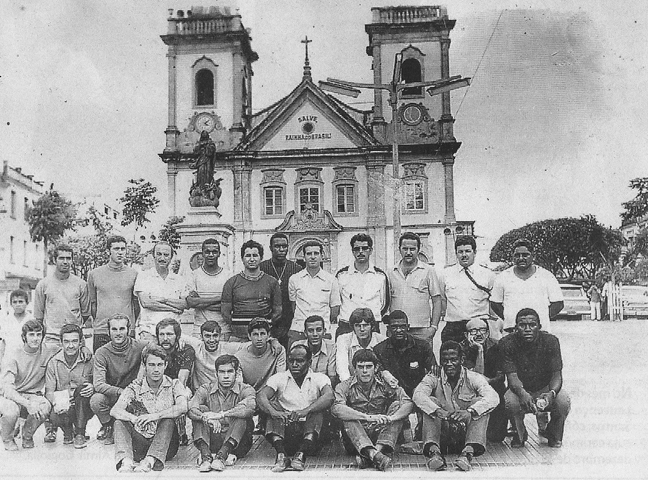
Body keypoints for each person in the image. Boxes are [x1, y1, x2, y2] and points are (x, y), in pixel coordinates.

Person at [413, 341, 499, 471]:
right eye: (445, 360)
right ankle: (434, 454)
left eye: (453, 360)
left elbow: (493, 397)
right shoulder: (433, 377)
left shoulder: (473, 377)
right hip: (441, 434)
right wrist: (437, 411)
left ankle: (467, 454)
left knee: (480, 403)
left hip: (465, 435)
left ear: (462, 359)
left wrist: (470, 411)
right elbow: (417, 395)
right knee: (430, 401)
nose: (449, 364)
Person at [110, 344, 188, 473]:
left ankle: (150, 461)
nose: (156, 369)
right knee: (119, 422)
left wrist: (155, 416)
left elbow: (182, 407)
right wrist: (133, 419)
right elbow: (115, 410)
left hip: (166, 445)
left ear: (166, 365)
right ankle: (126, 461)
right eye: (151, 365)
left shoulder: (174, 384)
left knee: (168, 421)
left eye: (160, 365)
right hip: (141, 442)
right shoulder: (135, 387)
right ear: (144, 366)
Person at [332, 349, 413, 472]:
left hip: (381, 436)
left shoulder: (385, 384)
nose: (365, 371)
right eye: (360, 367)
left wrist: (391, 418)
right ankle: (372, 453)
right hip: (355, 440)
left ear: (376, 368)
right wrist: (367, 417)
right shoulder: (344, 386)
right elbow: (336, 408)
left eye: (369, 366)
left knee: (397, 405)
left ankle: (373, 454)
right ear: (354, 369)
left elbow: (408, 403)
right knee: (347, 415)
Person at [500, 308, 571, 448]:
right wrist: (522, 393)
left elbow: (557, 375)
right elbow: (512, 376)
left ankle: (554, 433)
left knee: (563, 401)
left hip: (545, 388)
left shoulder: (551, 341)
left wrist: (552, 393)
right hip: (519, 389)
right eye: (522, 325)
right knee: (510, 402)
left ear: (539, 327)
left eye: (532, 325)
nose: (527, 329)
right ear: (515, 328)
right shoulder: (506, 343)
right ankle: (520, 434)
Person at [257, 344, 335, 472]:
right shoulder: (279, 378)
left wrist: (306, 410)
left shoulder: (319, 378)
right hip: (285, 434)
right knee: (273, 406)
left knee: (318, 410)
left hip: (310, 437)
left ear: (309, 362)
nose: (294, 364)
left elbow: (329, 396)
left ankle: (301, 456)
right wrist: (274, 412)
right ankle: (281, 456)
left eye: (300, 361)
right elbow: (261, 395)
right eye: (291, 361)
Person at [188, 354, 256, 472]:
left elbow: (250, 407)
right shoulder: (206, 388)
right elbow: (191, 409)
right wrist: (206, 418)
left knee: (241, 414)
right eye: (222, 372)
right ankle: (206, 457)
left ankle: (221, 456)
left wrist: (222, 414)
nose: (225, 376)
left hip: (237, 443)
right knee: (200, 412)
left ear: (237, 373)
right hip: (213, 439)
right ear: (216, 373)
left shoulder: (245, 389)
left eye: (230, 372)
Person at [90, 313, 146, 446]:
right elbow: (98, 384)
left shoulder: (140, 346)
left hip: (135, 396)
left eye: (122, 329)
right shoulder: (102, 352)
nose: (118, 333)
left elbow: (160, 348)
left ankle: (129, 428)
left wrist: (182, 340)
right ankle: (109, 426)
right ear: (108, 332)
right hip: (114, 394)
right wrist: (121, 392)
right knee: (96, 400)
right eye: (114, 329)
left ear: (129, 329)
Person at [0, 320, 56, 450]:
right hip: (10, 395)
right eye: (31, 334)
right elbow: (7, 388)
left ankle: (27, 435)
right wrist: (27, 404)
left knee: (44, 406)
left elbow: (69, 347)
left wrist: (84, 349)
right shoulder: (13, 355)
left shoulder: (49, 350)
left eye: (39, 334)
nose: (35, 339)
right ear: (24, 336)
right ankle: (7, 439)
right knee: (11, 411)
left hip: (32, 394)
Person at [490, 238, 564, 334]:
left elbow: (558, 304)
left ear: (533, 256)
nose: (521, 258)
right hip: (512, 331)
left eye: (525, 255)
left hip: (540, 332)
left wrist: (538, 320)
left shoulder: (546, 276)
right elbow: (495, 303)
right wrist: (511, 319)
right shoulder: (503, 277)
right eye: (517, 255)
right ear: (512, 257)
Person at [44, 324, 94, 449]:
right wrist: (58, 402)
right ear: (61, 342)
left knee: (82, 389)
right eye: (66, 341)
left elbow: (98, 382)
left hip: (82, 403)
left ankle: (80, 433)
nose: (70, 346)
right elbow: (49, 391)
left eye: (74, 341)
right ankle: (68, 431)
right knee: (53, 414)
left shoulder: (89, 360)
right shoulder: (53, 362)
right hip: (64, 404)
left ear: (81, 342)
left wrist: (93, 387)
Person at [438, 235, 496, 343]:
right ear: (456, 253)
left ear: (475, 252)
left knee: (480, 358)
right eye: (460, 252)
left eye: (468, 251)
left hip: (478, 327)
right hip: (453, 328)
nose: (464, 255)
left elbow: (494, 302)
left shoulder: (488, 275)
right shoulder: (445, 275)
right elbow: (443, 300)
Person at [221, 240, 282, 341]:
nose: (252, 259)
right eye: (248, 256)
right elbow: (225, 312)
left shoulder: (272, 282)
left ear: (261, 258)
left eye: (255, 255)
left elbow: (278, 311)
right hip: (238, 337)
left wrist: (263, 329)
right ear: (242, 258)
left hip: (263, 337)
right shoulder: (231, 282)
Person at [87, 235, 139, 351]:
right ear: (108, 251)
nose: (120, 252)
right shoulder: (94, 274)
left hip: (126, 330)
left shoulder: (133, 274)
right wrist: (100, 323)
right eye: (116, 249)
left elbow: (136, 305)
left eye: (123, 249)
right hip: (102, 330)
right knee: (101, 365)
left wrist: (131, 325)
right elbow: (93, 304)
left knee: (127, 366)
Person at [389, 232, 442, 344]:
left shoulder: (428, 271)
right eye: (405, 248)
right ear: (399, 249)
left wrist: (433, 327)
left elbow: (437, 300)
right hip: (397, 330)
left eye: (412, 249)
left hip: (421, 330)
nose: (408, 252)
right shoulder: (391, 272)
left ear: (418, 249)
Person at [459, 317, 507, 442]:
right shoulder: (461, 348)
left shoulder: (497, 345)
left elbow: (501, 375)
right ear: (466, 334)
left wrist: (487, 382)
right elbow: (477, 376)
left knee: (496, 438)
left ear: (488, 332)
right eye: (474, 331)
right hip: (470, 388)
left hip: (493, 386)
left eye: (482, 330)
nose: (479, 334)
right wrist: (479, 350)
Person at [33, 243, 91, 346]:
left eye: (68, 258)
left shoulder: (81, 284)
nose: (65, 262)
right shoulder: (43, 285)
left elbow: (85, 314)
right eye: (61, 258)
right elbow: (39, 316)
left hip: (75, 338)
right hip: (52, 339)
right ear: (55, 260)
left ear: (72, 260)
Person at [336, 234, 390, 338]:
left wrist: (370, 318)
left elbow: (384, 304)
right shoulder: (342, 275)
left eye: (364, 248)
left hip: (371, 327)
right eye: (357, 249)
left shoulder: (380, 276)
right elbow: (336, 301)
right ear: (352, 251)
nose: (361, 252)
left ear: (371, 250)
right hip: (346, 326)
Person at [373, 310, 437, 398]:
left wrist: (422, 390)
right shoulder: (379, 350)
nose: (399, 330)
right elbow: (378, 376)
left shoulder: (422, 346)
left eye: (402, 326)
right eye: (394, 327)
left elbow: (434, 374)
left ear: (408, 327)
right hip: (394, 396)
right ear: (388, 328)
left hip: (419, 394)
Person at [288, 240, 340, 345]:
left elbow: (335, 308)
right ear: (304, 257)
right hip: (299, 330)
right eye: (309, 254)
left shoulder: (331, 280)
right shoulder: (295, 279)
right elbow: (293, 305)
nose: (312, 257)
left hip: (322, 332)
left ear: (321, 256)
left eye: (316, 253)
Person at [134, 241, 187, 342]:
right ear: (153, 256)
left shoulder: (179, 280)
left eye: (166, 255)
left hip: (172, 334)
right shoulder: (144, 276)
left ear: (171, 257)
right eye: (159, 254)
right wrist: (174, 309)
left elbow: (184, 304)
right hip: (149, 332)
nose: (162, 258)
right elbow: (146, 303)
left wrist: (163, 300)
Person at [156, 318, 195, 445]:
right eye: (161, 334)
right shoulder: (153, 350)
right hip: (157, 387)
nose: (165, 338)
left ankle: (181, 432)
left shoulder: (186, 350)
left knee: (181, 395)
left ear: (177, 336)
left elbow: (181, 380)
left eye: (169, 334)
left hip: (180, 387)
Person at [260, 233, 302, 349]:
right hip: (268, 319)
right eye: (277, 246)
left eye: (284, 246)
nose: (281, 249)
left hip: (289, 320)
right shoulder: (262, 268)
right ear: (270, 248)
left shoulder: (296, 269)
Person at [185, 238, 232, 339]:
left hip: (222, 330)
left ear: (219, 253)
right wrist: (220, 298)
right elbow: (191, 302)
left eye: (214, 252)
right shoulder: (194, 275)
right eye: (207, 252)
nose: (211, 255)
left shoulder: (228, 276)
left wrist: (200, 303)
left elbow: (228, 306)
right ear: (202, 253)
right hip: (199, 329)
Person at [236, 318, 286, 393]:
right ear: (249, 336)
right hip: (249, 395)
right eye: (255, 334)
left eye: (262, 334)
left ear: (268, 335)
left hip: (270, 393)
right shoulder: (239, 357)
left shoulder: (278, 350)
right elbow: (239, 386)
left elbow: (280, 379)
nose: (259, 338)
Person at [336, 308, 386, 382]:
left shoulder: (381, 340)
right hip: (351, 383)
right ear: (353, 327)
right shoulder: (343, 339)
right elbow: (342, 368)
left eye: (365, 325)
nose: (362, 329)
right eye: (358, 325)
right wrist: (349, 386)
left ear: (372, 326)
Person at [190, 321, 241, 391]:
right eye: (207, 336)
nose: (212, 340)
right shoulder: (197, 346)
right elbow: (177, 334)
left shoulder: (227, 347)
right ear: (201, 337)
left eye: (215, 336)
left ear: (220, 335)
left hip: (222, 393)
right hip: (201, 393)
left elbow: (248, 345)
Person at [293, 315, 337, 384]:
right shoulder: (297, 346)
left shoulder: (331, 347)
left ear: (324, 331)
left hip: (323, 387)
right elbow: (294, 375)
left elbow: (332, 377)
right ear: (305, 333)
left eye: (319, 330)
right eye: (310, 331)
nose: (315, 334)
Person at [0, 289, 33, 365]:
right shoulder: (6, 320)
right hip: (9, 359)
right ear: (11, 304)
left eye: (21, 302)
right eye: (15, 302)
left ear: (27, 303)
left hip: (26, 360)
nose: (18, 304)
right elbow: (3, 343)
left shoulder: (31, 320)